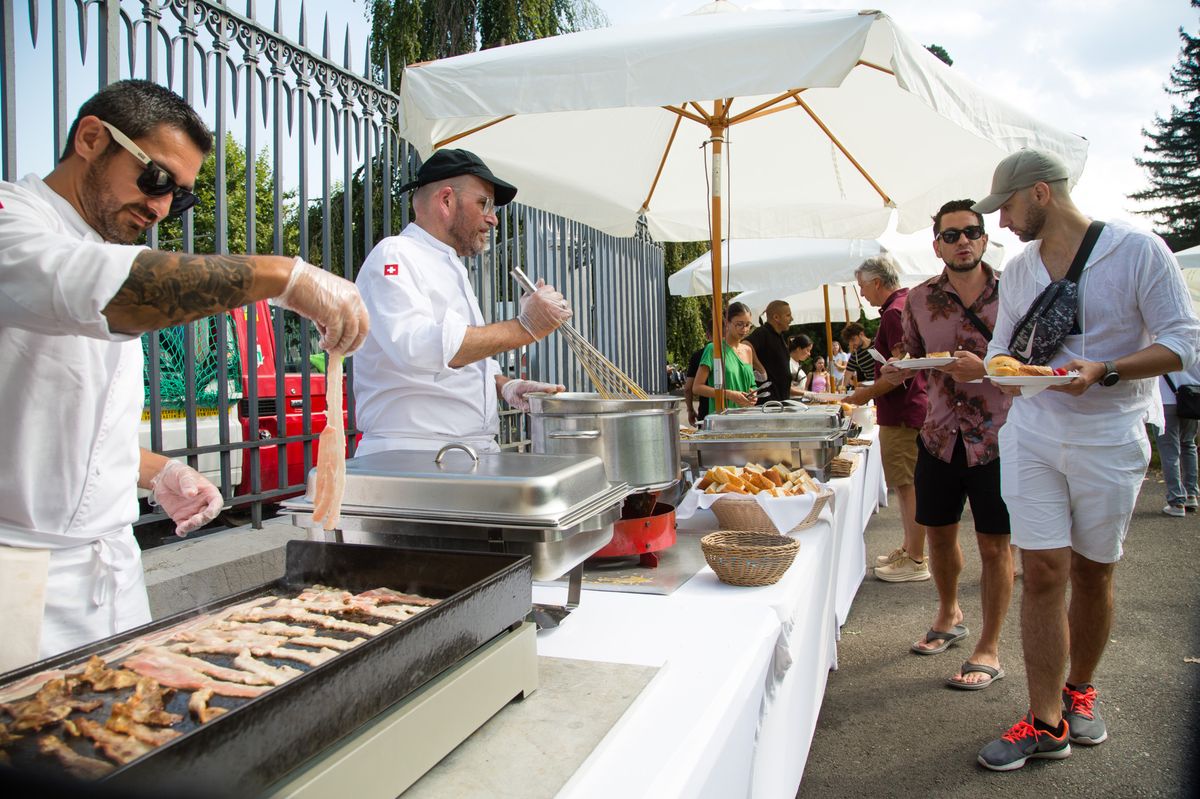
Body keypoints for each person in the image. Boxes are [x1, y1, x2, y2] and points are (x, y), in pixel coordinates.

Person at [0, 79, 369, 669]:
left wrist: (154, 471)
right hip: (20, 575)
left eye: (181, 197)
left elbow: (61, 416)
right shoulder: (14, 222)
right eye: (156, 179)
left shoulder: (102, 246)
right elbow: (120, 292)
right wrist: (284, 276)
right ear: (92, 139)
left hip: (113, 570)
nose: (161, 207)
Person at [972, 148, 1200, 771]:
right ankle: (1044, 720)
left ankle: (1080, 689)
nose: (1003, 222)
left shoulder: (1136, 250)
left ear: (1040, 194)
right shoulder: (1019, 268)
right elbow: (1001, 348)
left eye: (1008, 207)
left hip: (1110, 433)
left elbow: (1182, 342)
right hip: (1035, 431)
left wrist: (1107, 370)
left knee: (1094, 572)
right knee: (1043, 570)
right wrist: (1001, 369)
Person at [877, 199, 1014, 690]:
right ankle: (949, 614)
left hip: (998, 438)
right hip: (938, 436)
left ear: (983, 238)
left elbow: (1037, 362)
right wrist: (897, 367)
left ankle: (990, 647)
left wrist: (988, 368)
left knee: (995, 547)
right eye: (951, 234)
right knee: (938, 534)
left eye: (970, 233)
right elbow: (911, 355)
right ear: (936, 243)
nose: (962, 242)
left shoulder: (1014, 291)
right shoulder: (917, 298)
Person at [353, 149, 570, 455]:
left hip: (462, 452)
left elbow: (461, 356)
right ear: (446, 200)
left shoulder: (451, 266)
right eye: (485, 203)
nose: (493, 218)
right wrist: (526, 326)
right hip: (415, 455)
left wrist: (505, 386)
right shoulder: (396, 255)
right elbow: (419, 349)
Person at [844, 255, 930, 583]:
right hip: (910, 409)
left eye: (863, 286)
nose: (863, 293)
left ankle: (916, 559)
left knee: (907, 486)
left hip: (904, 412)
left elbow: (900, 374)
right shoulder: (904, 306)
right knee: (908, 484)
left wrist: (864, 394)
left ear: (877, 282)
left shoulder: (895, 312)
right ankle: (910, 549)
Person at [692, 302, 763, 414]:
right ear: (727, 323)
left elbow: (752, 384)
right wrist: (729, 394)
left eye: (748, 325)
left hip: (746, 416)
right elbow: (697, 387)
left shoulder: (748, 350)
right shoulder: (714, 349)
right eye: (739, 324)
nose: (744, 329)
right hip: (722, 417)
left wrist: (753, 393)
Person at [1157, 360, 1200, 516]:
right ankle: (1191, 494)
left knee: (1169, 450)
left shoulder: (1162, 342)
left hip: (1166, 399)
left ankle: (1176, 501)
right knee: (1189, 444)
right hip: (1193, 397)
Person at [745, 300, 794, 404]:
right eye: (788, 315)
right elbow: (746, 345)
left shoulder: (779, 335)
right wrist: (759, 367)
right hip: (768, 402)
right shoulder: (763, 332)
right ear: (776, 317)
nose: (791, 319)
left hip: (781, 400)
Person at [684, 327, 713, 426]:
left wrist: (690, 410)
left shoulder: (697, 356)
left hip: (706, 411)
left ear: (707, 335)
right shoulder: (735, 353)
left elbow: (688, 388)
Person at [842, 322, 876, 388]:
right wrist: (842, 389)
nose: (852, 343)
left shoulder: (877, 343)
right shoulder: (855, 355)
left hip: (887, 383)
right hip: (872, 388)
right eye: (850, 341)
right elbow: (848, 374)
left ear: (861, 334)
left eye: (853, 339)